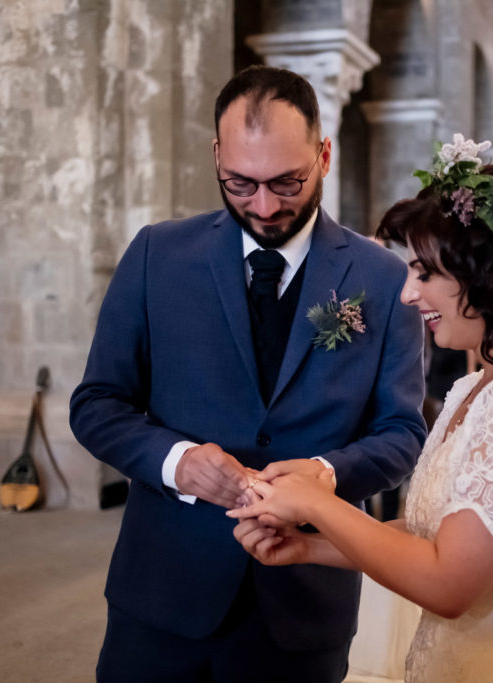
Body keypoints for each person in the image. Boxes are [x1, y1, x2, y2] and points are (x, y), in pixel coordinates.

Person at [69, 65, 427, 681]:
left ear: (324, 154)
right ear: (215, 155)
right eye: (240, 183)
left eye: (288, 182)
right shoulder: (157, 254)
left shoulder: (384, 279)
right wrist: (176, 461)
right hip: (161, 595)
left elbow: (402, 433)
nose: (264, 206)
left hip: (304, 604)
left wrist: (322, 475)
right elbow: (97, 403)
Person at [230, 139, 493, 682]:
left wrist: (317, 499)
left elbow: (449, 584)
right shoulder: (477, 387)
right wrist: (309, 546)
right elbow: (434, 536)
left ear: (489, 277)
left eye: (425, 273)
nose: (407, 294)